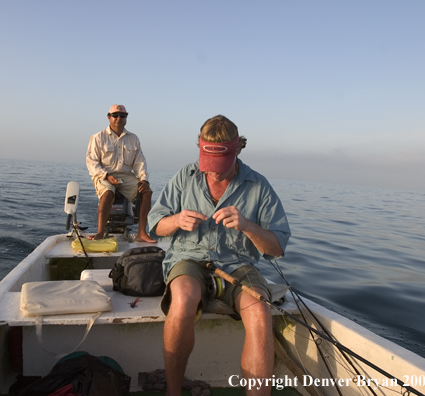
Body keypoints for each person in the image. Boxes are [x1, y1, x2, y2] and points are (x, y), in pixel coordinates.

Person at [147, 115, 291, 396]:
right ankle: (173, 392)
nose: (213, 172)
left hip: (238, 266)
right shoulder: (183, 177)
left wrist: (248, 226)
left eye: (221, 166)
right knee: (184, 299)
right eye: (208, 164)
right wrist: (176, 220)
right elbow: (155, 226)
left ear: (237, 150)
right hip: (188, 260)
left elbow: (277, 248)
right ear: (199, 149)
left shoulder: (259, 186)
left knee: (261, 311)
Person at [86, 104, 156, 242]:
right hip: (103, 175)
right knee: (108, 192)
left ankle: (141, 233)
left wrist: (144, 179)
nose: (119, 118)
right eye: (115, 115)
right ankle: (100, 232)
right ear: (109, 117)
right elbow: (91, 162)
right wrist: (106, 176)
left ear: (126, 118)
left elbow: (139, 161)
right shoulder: (97, 137)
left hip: (125, 176)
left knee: (147, 192)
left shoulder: (133, 138)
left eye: (122, 116)